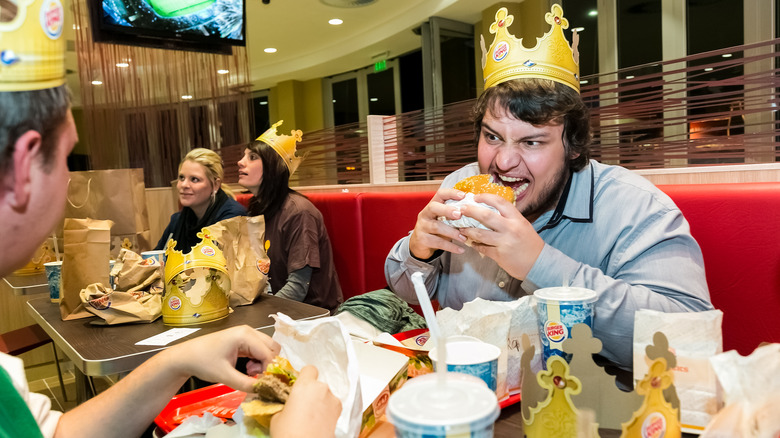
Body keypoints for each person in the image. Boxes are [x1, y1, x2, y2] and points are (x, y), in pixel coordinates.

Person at [0, 6, 340, 437]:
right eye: (66, 158)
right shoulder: (244, 213)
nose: (69, 178)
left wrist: (176, 359)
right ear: (22, 165)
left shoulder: (285, 212)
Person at [385, 5, 713, 375]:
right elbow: (408, 292)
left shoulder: (634, 207)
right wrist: (419, 251)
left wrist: (539, 264)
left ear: (573, 146)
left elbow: (689, 341)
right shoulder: (458, 187)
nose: (504, 161)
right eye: (492, 136)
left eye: (532, 143)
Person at [238, 121, 343, 314]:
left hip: (309, 317)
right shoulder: (256, 209)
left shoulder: (299, 212)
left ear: (272, 167)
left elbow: (298, 287)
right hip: (275, 311)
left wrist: (257, 316)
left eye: (252, 157)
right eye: (243, 156)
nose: (240, 162)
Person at [155, 148, 246, 252]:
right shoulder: (177, 221)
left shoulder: (233, 218)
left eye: (194, 179)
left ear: (216, 185)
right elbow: (157, 257)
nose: (184, 185)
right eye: (181, 178)